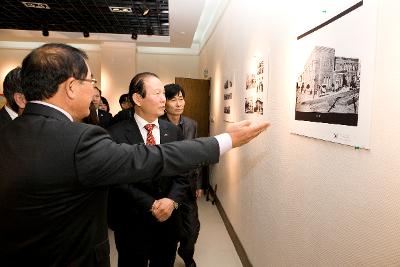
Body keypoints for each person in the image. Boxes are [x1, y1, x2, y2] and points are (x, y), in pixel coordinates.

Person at [0, 43, 269, 266]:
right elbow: (152, 159)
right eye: (90, 81)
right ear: (71, 86)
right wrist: (226, 140)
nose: (94, 92)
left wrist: (170, 202)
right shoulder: (81, 138)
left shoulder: (8, 133)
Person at [108, 73, 187, 267]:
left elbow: (183, 173)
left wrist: (171, 201)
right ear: (137, 99)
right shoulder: (116, 134)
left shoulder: (174, 131)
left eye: (163, 93)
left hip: (168, 222)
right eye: (157, 93)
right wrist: (150, 204)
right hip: (132, 223)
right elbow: (116, 179)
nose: (163, 99)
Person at [160, 84, 201, 267]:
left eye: (181, 98)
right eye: (173, 99)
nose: (178, 104)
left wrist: (199, 183)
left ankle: (186, 253)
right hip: (166, 186)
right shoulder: (157, 124)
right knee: (168, 229)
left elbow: (197, 156)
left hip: (188, 185)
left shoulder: (191, 124)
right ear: (165, 102)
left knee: (192, 229)